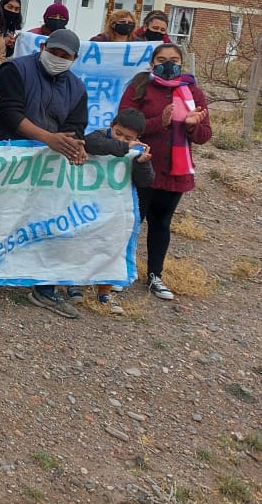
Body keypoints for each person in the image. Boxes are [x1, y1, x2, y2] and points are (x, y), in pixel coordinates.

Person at [0, 28, 88, 319]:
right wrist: (48, 138)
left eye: (65, 56)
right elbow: (8, 112)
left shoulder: (77, 87)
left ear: (74, 59)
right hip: (8, 159)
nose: (58, 59)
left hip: (47, 165)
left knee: (49, 221)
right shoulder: (14, 69)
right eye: (54, 52)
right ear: (43, 46)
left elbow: (76, 125)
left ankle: (44, 288)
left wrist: (73, 144)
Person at [118, 42, 211, 300]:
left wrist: (192, 126)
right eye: (161, 59)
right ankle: (119, 272)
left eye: (173, 59)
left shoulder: (194, 92)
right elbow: (123, 124)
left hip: (175, 172)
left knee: (161, 223)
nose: (167, 64)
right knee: (132, 221)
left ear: (182, 63)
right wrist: (160, 122)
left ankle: (155, 276)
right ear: (152, 64)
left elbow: (205, 135)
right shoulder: (140, 86)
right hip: (142, 168)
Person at [82, 108, 155, 315]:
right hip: (87, 203)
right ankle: (74, 284)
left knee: (111, 246)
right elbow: (91, 144)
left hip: (113, 210)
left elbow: (146, 181)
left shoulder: (137, 150)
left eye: (128, 137)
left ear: (138, 137)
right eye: (118, 133)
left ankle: (105, 290)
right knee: (82, 242)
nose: (122, 139)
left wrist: (142, 163)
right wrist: (123, 146)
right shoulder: (98, 136)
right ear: (112, 126)